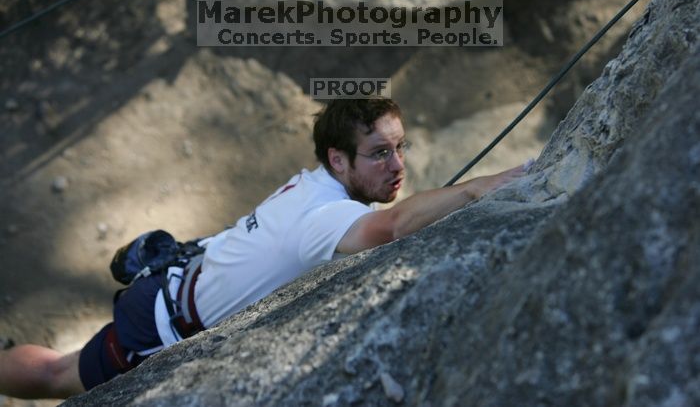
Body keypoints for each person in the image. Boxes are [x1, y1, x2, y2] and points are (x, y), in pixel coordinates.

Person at [0, 99, 527, 399]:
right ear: (337, 159)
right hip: (160, 324)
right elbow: (391, 229)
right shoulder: (323, 218)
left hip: (179, 277)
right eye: (379, 153)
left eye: (399, 147)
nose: (397, 166)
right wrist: (479, 188)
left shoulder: (313, 184)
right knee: (56, 376)